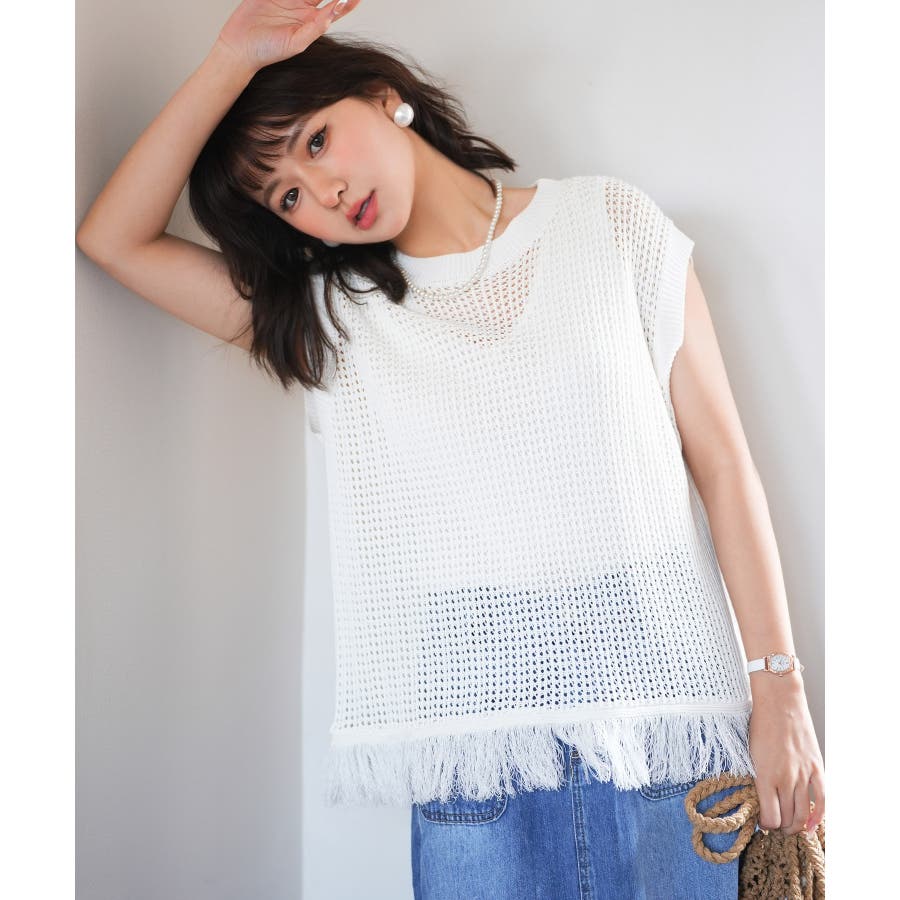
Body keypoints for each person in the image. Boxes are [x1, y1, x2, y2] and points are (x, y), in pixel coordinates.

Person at [75, 1, 825, 897]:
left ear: (382, 96)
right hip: (475, 753)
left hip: (667, 721)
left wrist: (780, 690)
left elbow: (725, 467)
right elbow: (113, 238)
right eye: (287, 198)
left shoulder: (611, 225)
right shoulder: (332, 321)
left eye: (316, 142)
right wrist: (229, 59)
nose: (323, 192)